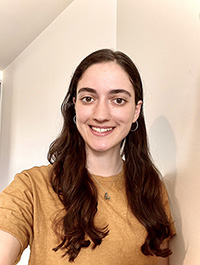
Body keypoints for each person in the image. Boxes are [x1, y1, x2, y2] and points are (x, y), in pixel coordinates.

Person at [0, 49, 175, 265]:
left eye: (118, 100)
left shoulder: (152, 188)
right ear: (75, 106)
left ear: (136, 111)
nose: (101, 115)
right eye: (88, 98)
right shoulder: (31, 187)